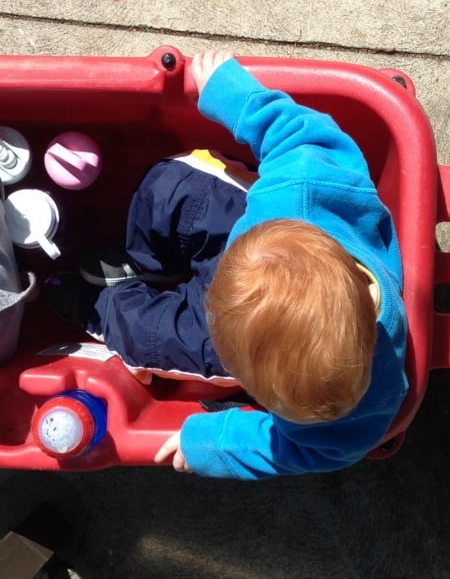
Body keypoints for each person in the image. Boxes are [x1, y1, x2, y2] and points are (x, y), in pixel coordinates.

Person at [43, 51, 408, 479]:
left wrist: (209, 443)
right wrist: (230, 93)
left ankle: (98, 308)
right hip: (253, 248)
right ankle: (147, 260)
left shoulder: (364, 400)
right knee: (170, 186)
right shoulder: (303, 188)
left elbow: (305, 451)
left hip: (253, 270)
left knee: (150, 338)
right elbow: (298, 132)